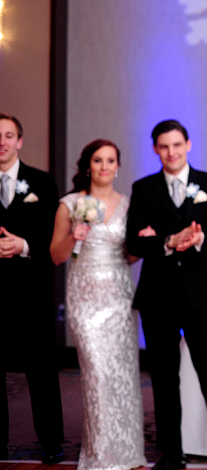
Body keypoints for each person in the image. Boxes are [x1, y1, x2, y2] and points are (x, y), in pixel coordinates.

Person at [125, 120, 207, 470]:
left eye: (177, 145)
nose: (172, 152)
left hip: (202, 297)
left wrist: (200, 239)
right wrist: (166, 241)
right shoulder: (143, 188)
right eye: (164, 146)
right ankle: (171, 455)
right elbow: (133, 242)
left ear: (188, 145)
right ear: (155, 150)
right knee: (163, 378)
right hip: (157, 298)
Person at [49, 139, 147, 470]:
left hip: (118, 297)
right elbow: (55, 256)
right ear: (88, 165)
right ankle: (100, 455)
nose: (104, 166)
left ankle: (129, 452)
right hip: (85, 299)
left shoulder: (130, 205)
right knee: (97, 375)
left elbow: (129, 255)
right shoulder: (71, 204)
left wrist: (144, 241)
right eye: (97, 160)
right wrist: (74, 236)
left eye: (110, 160)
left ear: (118, 166)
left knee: (122, 374)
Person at [0, 113, 65, 463]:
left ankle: (52, 443)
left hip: (32, 293)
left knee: (41, 370)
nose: (2, 141)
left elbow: (52, 241)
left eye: (9, 135)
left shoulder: (42, 182)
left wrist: (23, 245)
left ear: (20, 141)